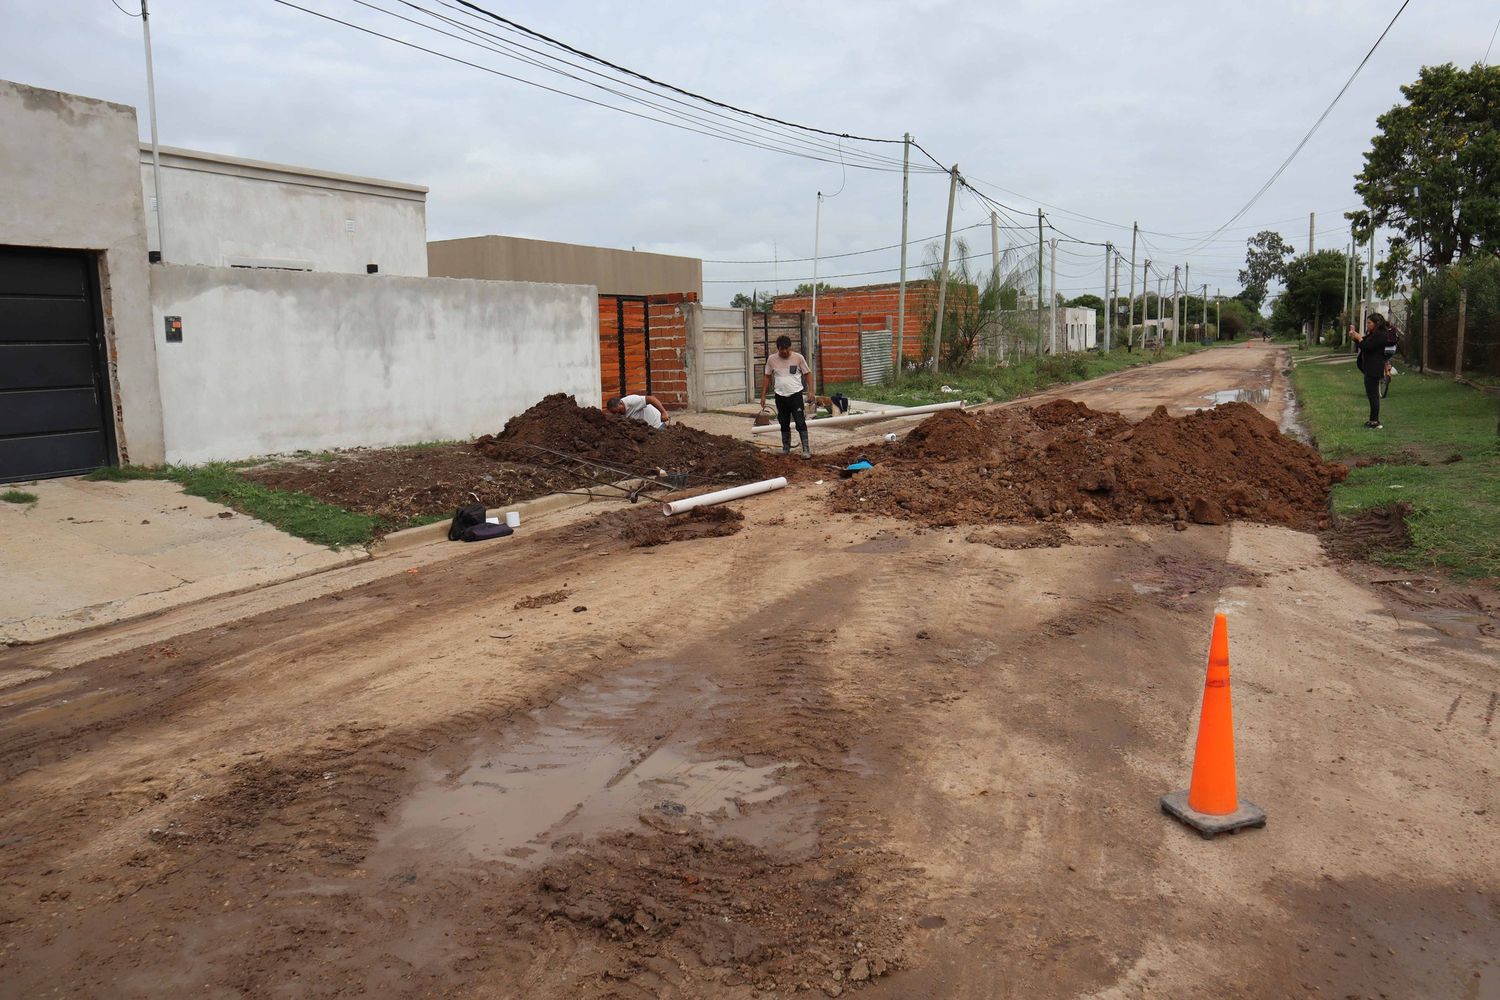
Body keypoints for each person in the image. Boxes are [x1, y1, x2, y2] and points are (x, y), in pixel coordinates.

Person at [760, 335, 813, 458]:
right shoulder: (772, 359)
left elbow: (808, 374)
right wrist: (763, 396)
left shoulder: (798, 358)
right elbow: (767, 376)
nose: (784, 351)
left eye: (786, 349)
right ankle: (786, 447)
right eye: (781, 349)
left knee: (800, 421)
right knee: (783, 422)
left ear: (790, 347)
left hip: (795, 395)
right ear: (777, 348)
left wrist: (811, 391)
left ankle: (806, 449)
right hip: (780, 396)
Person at [1350, 313, 1397, 429]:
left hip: (1374, 368)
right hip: (1370, 368)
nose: (1367, 325)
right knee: (1372, 395)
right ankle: (1372, 420)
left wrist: (1359, 338)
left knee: (1373, 396)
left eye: (1369, 323)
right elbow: (1364, 343)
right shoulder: (1374, 334)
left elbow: (1367, 347)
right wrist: (1355, 337)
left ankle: (1374, 422)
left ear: (1377, 323)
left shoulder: (1381, 335)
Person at [604, 393, 669, 429]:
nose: (617, 414)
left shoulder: (632, 401)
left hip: (656, 425)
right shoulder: (618, 411)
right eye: (614, 413)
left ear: (621, 403)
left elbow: (651, 398)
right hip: (645, 430)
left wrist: (663, 412)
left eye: (618, 411)